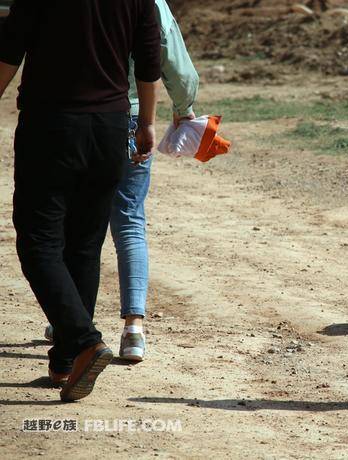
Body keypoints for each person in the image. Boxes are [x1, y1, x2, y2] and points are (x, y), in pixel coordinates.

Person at [0, 0, 160, 401]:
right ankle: (67, 361)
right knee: (85, 248)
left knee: (38, 243)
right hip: (109, 128)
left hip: (51, 126)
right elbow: (149, 59)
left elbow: (9, 50)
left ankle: (85, 341)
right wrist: (147, 123)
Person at [43, 0, 200, 363]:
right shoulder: (150, 3)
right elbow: (172, 57)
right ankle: (133, 329)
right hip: (127, 117)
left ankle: (72, 319)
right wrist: (184, 106)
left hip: (74, 115)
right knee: (129, 221)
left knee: (79, 220)